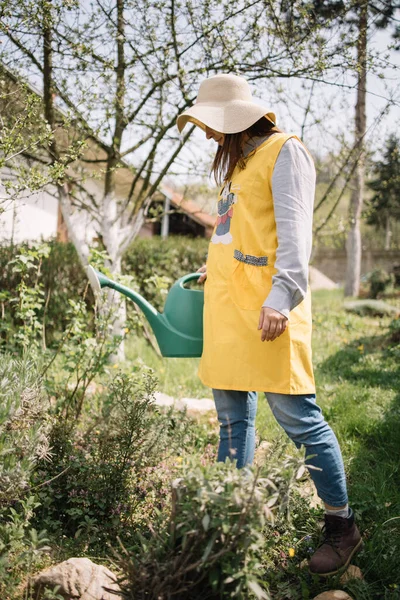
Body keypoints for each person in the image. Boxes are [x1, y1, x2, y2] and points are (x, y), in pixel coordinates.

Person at [177, 73, 362, 576]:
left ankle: (342, 528)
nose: (209, 135)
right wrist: (210, 263)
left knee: (297, 415)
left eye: (213, 126)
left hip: (268, 312)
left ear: (236, 121)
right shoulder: (238, 166)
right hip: (228, 310)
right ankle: (228, 523)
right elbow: (234, 231)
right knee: (233, 420)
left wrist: (281, 299)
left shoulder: (286, 153)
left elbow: (297, 238)